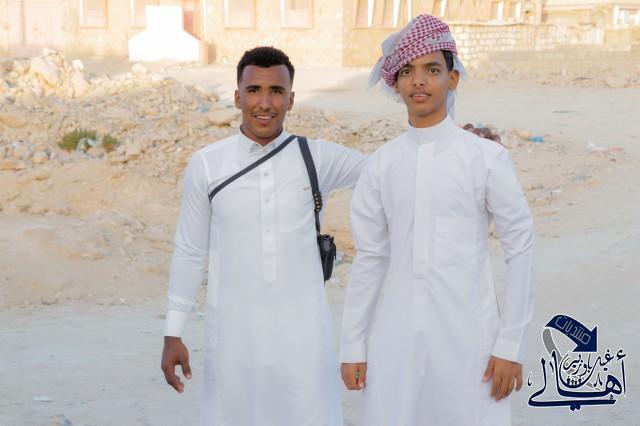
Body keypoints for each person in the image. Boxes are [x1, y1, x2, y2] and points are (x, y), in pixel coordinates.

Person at [339, 14, 535, 425]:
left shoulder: (485, 158)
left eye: (432, 69)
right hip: (396, 342)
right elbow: (371, 259)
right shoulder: (382, 165)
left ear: (453, 78)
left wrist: (510, 345)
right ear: (396, 84)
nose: (419, 81)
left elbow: (520, 249)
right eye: (407, 71)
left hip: (471, 343)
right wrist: (353, 346)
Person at [161, 46, 365, 426]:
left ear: (291, 99)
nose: (265, 103)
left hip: (304, 341)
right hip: (234, 341)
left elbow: (386, 172)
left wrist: (455, 136)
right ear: (238, 97)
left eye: (276, 91)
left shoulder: (316, 157)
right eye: (254, 90)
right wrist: (173, 332)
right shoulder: (207, 164)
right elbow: (189, 250)